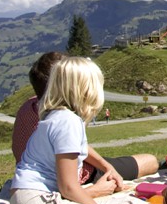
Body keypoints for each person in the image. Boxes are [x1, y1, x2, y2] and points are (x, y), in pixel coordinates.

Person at [9, 57, 159, 204]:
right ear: (86, 89)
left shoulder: (59, 117)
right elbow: (69, 188)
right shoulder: (67, 122)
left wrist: (108, 168)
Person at [12, 52, 159, 195]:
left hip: (29, 177)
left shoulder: (29, 107)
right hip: (73, 176)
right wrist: (95, 189)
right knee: (150, 161)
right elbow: (68, 188)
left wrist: (106, 165)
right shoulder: (65, 119)